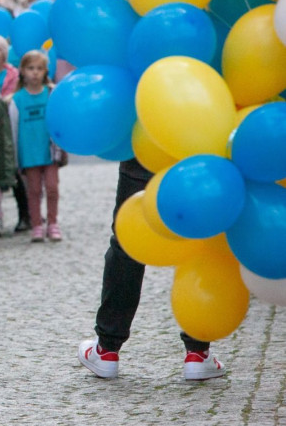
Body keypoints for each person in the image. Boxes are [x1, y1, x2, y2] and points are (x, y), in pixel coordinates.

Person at [78, 159, 226, 380]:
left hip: (143, 155)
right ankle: (198, 351)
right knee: (200, 243)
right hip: (195, 154)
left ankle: (106, 349)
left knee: (128, 241)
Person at [8, 51, 62, 242]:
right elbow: (13, 131)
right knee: (34, 191)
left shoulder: (51, 94)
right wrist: (16, 159)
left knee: (52, 188)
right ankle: (37, 224)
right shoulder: (17, 100)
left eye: (39, 68)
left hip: (50, 152)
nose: (35, 73)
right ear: (22, 71)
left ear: (46, 71)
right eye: (31, 68)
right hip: (29, 154)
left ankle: (53, 223)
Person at [0, 34, 28, 235]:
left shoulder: (13, 74)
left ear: (4, 53)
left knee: (15, 171)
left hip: (11, 129)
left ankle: (25, 215)